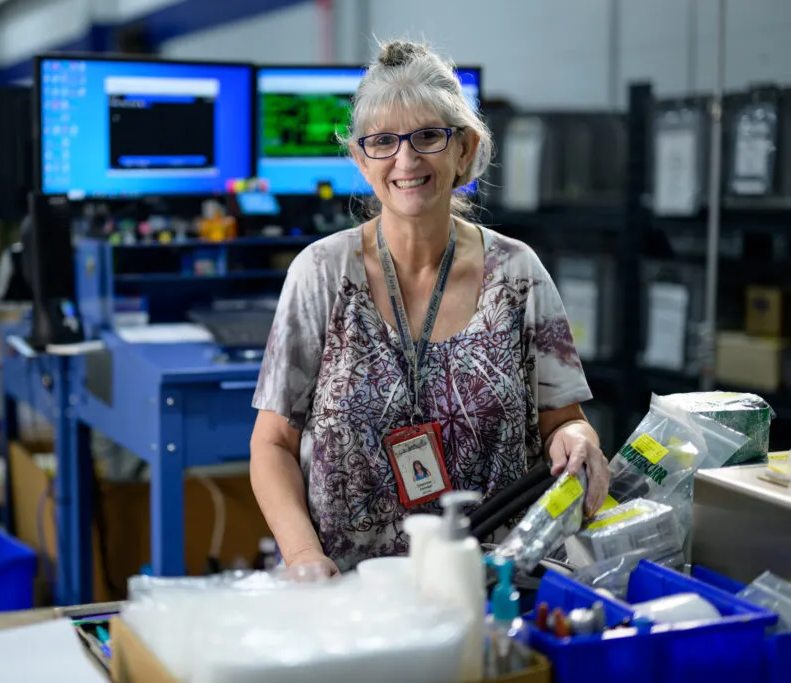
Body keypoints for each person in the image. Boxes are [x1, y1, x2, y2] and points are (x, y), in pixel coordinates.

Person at [249, 39, 609, 576]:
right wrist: (303, 556)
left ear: (464, 149)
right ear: (361, 160)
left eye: (428, 136)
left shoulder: (517, 274)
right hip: (345, 590)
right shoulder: (322, 273)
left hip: (485, 584)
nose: (406, 159)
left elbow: (564, 422)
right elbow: (273, 444)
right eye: (383, 141)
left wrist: (579, 441)